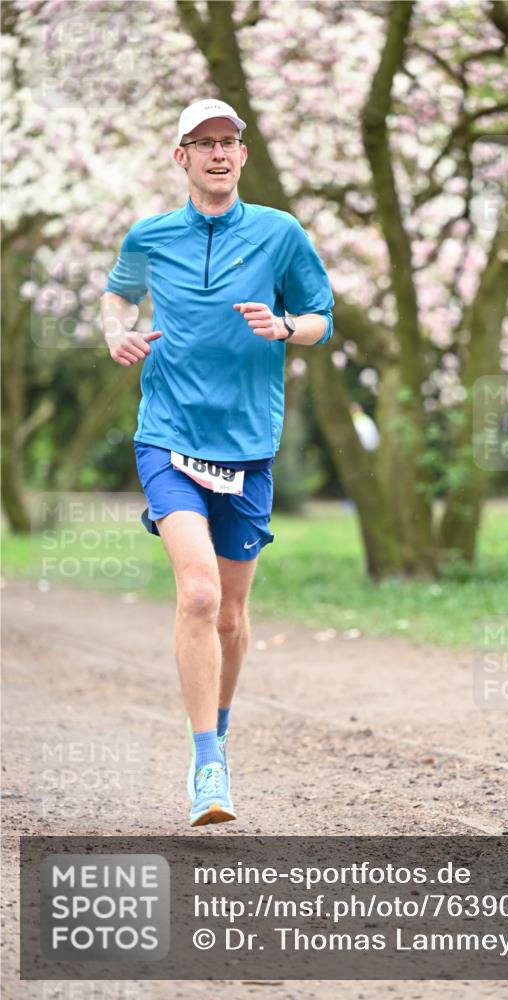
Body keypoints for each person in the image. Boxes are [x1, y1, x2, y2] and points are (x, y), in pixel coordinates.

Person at [100, 98, 334, 827]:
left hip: (248, 447)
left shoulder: (279, 234)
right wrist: (118, 332)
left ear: (242, 153)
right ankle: (206, 766)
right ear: (181, 157)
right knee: (197, 595)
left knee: (231, 615)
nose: (217, 153)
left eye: (228, 141)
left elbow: (322, 319)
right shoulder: (150, 236)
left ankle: (220, 733)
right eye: (202, 143)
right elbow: (116, 296)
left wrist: (286, 324)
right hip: (168, 435)